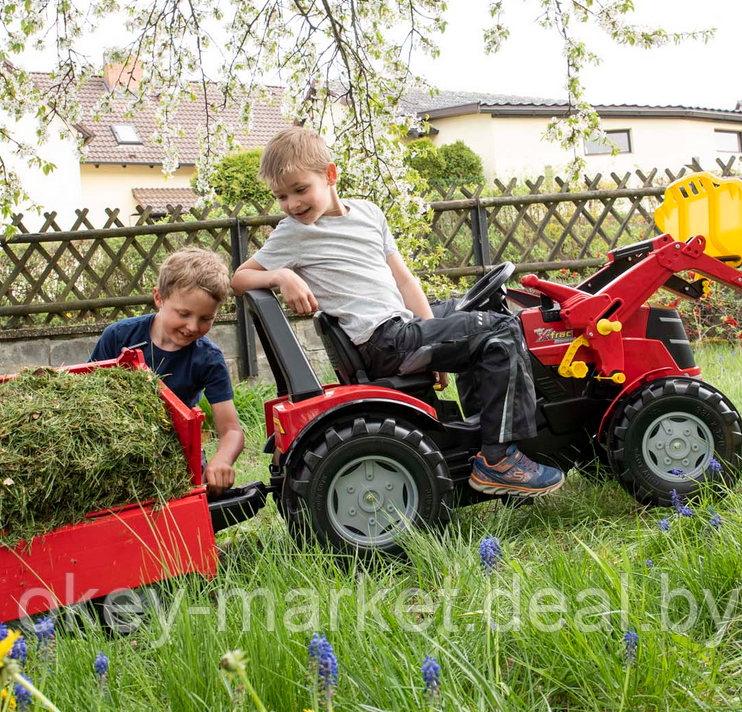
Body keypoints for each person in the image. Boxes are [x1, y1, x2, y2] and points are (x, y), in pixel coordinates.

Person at [231, 127, 563, 497]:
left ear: (330, 175)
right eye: (281, 196)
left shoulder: (369, 214)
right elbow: (240, 278)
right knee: (500, 330)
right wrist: (283, 274)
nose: (291, 204)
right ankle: (499, 459)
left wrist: (432, 333)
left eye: (299, 190)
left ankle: (484, 438)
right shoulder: (294, 233)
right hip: (383, 341)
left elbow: (405, 282)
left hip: (403, 329)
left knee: (476, 312)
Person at [90, 247, 243, 496]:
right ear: (159, 298)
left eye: (206, 318)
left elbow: (232, 430)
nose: (193, 326)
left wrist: (222, 460)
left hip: (175, 453)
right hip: (115, 449)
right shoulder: (119, 337)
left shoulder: (208, 359)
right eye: (184, 314)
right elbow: (87, 394)